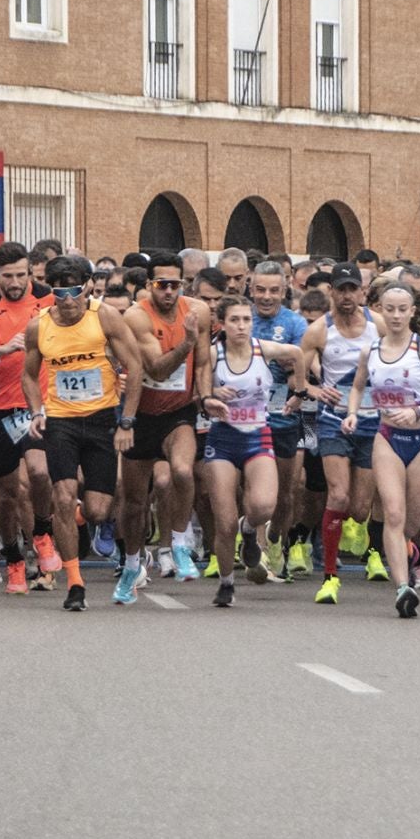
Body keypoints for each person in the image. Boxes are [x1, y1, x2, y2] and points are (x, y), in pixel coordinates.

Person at [21, 254, 144, 612]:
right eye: (61, 293)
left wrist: (127, 421)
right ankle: (75, 583)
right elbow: (29, 374)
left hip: (102, 418)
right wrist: (36, 411)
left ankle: (74, 522)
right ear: (52, 292)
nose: (69, 300)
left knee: (98, 510)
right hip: (61, 420)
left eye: (76, 291)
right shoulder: (38, 326)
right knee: (62, 495)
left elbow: (134, 366)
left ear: (88, 286)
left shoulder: (103, 316)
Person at [342, 284, 420, 617]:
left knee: (411, 523)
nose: (394, 315)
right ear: (381, 310)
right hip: (387, 438)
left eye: (401, 309)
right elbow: (358, 386)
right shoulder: (371, 350)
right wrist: (352, 412)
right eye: (388, 309)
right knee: (393, 513)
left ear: (412, 312)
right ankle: (403, 588)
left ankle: (412, 552)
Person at [186, 296, 307, 607]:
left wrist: (299, 392)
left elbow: (297, 353)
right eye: (234, 320)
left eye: (246, 320)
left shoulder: (261, 348)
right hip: (223, 440)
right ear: (222, 324)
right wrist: (211, 396)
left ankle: (249, 529)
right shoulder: (213, 355)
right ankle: (227, 583)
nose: (241, 326)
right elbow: (196, 392)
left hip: (257, 435)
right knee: (224, 522)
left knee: (265, 506)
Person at [0, 242, 53, 594]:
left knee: (39, 473)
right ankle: (15, 559)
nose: (16, 282)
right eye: (8, 276)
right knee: (6, 494)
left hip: (37, 404)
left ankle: (43, 532)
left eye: (21, 274)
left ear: (30, 271)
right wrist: (1, 350)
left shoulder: (47, 298)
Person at [120, 252, 210, 580]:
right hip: (141, 413)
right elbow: (157, 370)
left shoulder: (199, 311)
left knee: (183, 472)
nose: (169, 291)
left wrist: (206, 393)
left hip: (178, 412)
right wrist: (186, 343)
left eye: (175, 284)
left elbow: (202, 362)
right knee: (133, 504)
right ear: (148, 285)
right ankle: (132, 562)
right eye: (161, 285)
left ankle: (180, 542)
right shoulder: (136, 317)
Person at [298, 266, 384, 604]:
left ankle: (354, 534)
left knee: (360, 508)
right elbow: (299, 380)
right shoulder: (319, 331)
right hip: (333, 420)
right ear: (332, 291)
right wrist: (315, 393)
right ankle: (330, 577)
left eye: (353, 289)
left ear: (362, 292)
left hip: (372, 419)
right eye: (341, 289)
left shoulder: (378, 325)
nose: (347, 296)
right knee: (338, 496)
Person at [248, 261, 310, 577]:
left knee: (285, 494)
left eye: (274, 290)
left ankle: (275, 541)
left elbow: (301, 366)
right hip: (250, 420)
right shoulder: (242, 318)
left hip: (285, 416)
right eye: (260, 289)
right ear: (251, 288)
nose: (267, 296)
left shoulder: (296, 324)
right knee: (259, 492)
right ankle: (256, 552)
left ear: (285, 290)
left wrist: (294, 372)